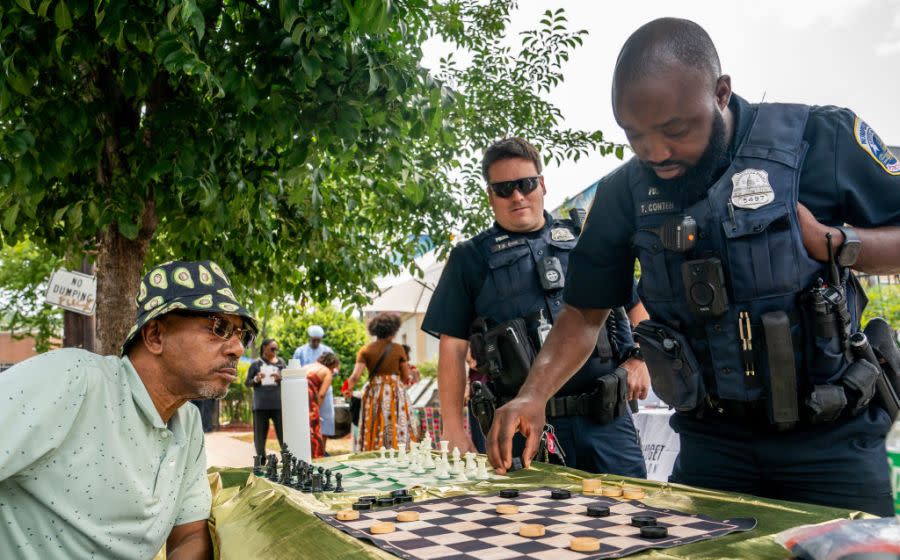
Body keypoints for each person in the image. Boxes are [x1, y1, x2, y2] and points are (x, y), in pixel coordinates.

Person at [486, 18, 900, 516]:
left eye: (675, 131)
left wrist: (839, 243)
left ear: (721, 93)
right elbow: (582, 315)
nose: (656, 153)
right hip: (711, 452)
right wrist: (533, 395)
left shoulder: (817, 141)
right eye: (635, 136)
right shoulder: (625, 193)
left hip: (832, 449)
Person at [0, 259, 257, 560]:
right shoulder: (73, 380)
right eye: (219, 327)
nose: (237, 347)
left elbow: (192, 535)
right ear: (155, 335)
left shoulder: (188, 421)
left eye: (243, 334)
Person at [422, 136, 648, 477]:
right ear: (490, 196)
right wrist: (453, 427)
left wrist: (639, 357)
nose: (517, 196)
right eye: (504, 189)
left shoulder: (585, 239)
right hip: (519, 430)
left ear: (542, 184)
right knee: (524, 527)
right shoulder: (469, 258)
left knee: (627, 517)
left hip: (606, 421)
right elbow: (452, 349)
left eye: (526, 184)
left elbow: (635, 306)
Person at [345, 312, 418, 451]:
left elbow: (355, 376)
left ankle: (374, 448)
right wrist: (399, 382)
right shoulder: (398, 348)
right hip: (394, 391)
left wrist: (348, 390)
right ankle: (398, 448)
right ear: (393, 330)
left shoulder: (365, 350)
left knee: (375, 421)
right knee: (396, 421)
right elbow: (406, 375)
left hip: (374, 391)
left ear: (375, 330)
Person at [293, 324, 337, 450]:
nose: (316, 342)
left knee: (326, 421)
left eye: (318, 340)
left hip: (325, 390)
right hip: (307, 391)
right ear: (309, 337)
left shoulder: (327, 350)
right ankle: (309, 449)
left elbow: (334, 368)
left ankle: (321, 449)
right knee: (308, 421)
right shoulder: (300, 351)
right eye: (314, 339)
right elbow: (296, 370)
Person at [245, 338, 286, 458]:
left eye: (276, 348)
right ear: (264, 348)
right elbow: (247, 383)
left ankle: (287, 459)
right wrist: (256, 379)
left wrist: (281, 378)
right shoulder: (256, 364)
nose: (275, 350)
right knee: (260, 436)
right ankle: (261, 461)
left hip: (278, 405)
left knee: (283, 434)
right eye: (272, 348)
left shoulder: (281, 363)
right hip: (260, 406)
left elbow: (288, 381)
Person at [307, 352, 340, 458]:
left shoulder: (308, 366)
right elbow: (321, 395)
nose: (333, 371)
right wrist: (315, 410)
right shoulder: (326, 372)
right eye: (334, 368)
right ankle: (317, 456)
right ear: (331, 364)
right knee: (315, 430)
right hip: (310, 398)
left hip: (297, 398)